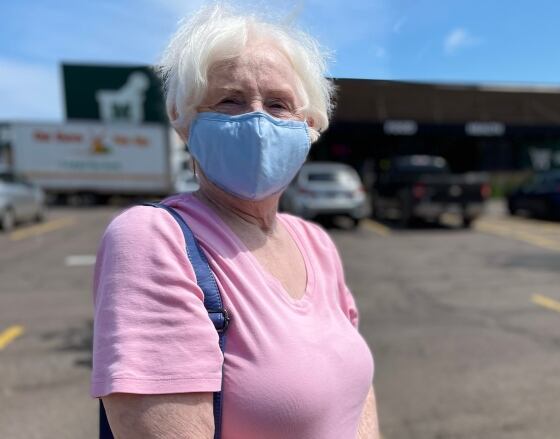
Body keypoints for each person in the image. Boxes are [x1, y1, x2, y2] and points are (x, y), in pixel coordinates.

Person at [90, 5, 379, 438]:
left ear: (310, 126)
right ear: (184, 122)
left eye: (279, 103)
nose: (257, 121)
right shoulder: (154, 240)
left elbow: (358, 393)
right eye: (230, 100)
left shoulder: (314, 242)